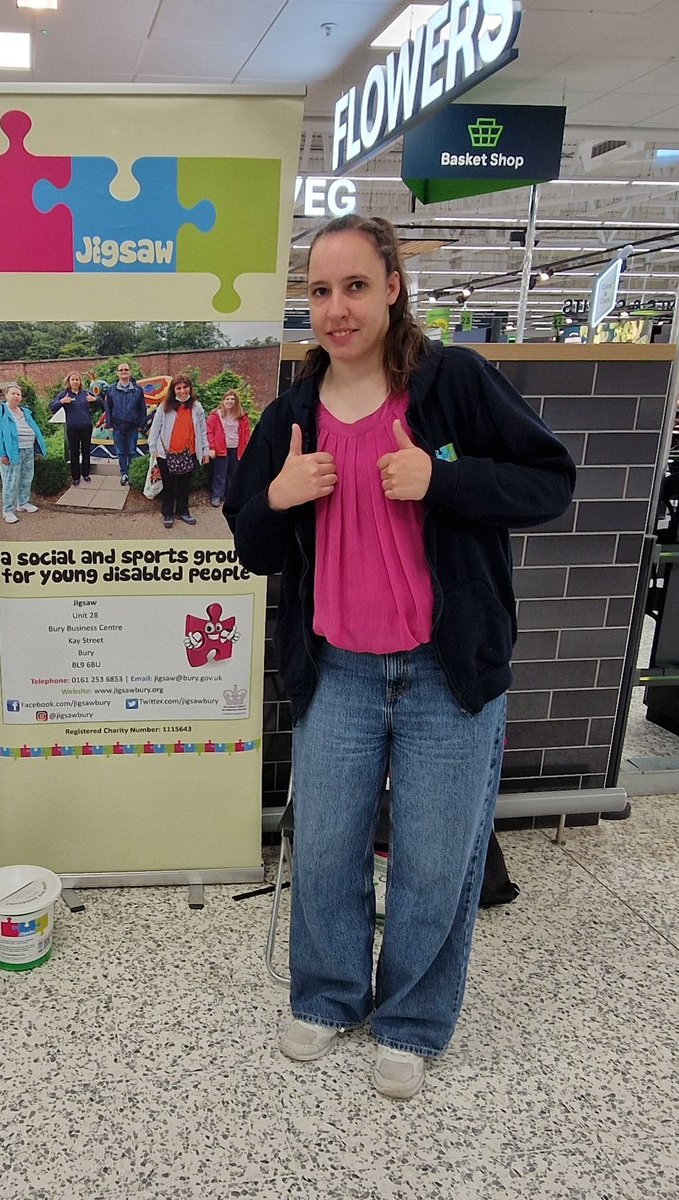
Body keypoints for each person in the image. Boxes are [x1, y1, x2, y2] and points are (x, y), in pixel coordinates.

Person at [224, 215, 575, 1098]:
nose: (336, 309)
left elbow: (548, 482)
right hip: (336, 673)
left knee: (431, 863)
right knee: (329, 852)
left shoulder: (453, 385)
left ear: (391, 288)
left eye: (353, 286)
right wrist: (276, 495)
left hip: (443, 679)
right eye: (318, 291)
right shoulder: (290, 415)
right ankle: (330, 995)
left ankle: (413, 1022)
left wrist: (443, 479)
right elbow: (251, 545)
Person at [148, 373, 211, 529]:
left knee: (184, 485)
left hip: (188, 453)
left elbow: (203, 431)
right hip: (166, 454)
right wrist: (153, 448)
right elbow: (155, 429)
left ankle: (183, 511)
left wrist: (205, 450)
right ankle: (167, 513)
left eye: (185, 387)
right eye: (179, 388)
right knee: (169, 485)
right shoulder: (165, 407)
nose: (182, 391)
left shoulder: (197, 407)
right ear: (173, 390)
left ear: (190, 388)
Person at [0, 383, 46, 524]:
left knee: (26, 478)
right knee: (11, 481)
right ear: (6, 394)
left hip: (28, 449)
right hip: (11, 451)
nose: (16, 396)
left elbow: (34, 429)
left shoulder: (25, 411)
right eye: (13, 393)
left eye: (18, 394)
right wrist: (2, 454)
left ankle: (23, 503)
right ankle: (7, 510)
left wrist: (37, 448)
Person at [50, 370, 97, 486]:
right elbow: (52, 407)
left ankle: (86, 474)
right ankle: (76, 477)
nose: (75, 382)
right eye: (73, 379)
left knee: (86, 452)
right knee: (74, 453)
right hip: (73, 429)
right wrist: (62, 401)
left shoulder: (85, 393)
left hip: (86, 428)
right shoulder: (64, 394)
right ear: (69, 381)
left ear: (80, 381)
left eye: (77, 379)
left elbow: (101, 403)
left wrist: (95, 400)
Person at [205, 389, 251, 508]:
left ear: (236, 402)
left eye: (232, 399)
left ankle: (230, 495)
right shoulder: (216, 416)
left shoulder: (242, 416)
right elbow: (209, 432)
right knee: (220, 473)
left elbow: (246, 433)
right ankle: (217, 495)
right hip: (221, 448)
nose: (230, 401)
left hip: (236, 448)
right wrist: (211, 448)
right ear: (223, 401)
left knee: (233, 473)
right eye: (227, 399)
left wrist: (246, 448)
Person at [104, 362, 147, 485]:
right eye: (121, 370)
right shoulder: (111, 390)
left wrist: (141, 425)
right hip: (117, 427)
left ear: (130, 372)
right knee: (120, 452)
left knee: (132, 452)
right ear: (118, 373)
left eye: (126, 369)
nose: (123, 372)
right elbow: (108, 408)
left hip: (133, 427)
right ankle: (124, 474)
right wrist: (109, 424)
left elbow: (142, 409)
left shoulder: (138, 390)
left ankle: (132, 474)